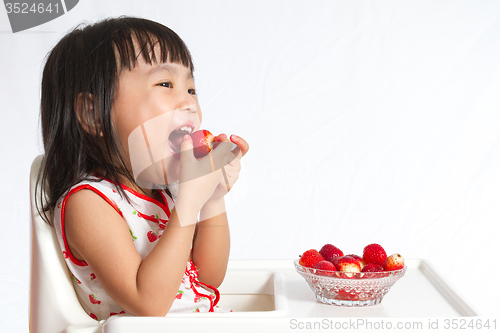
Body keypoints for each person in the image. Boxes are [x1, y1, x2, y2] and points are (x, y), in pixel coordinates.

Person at [36, 16, 249, 320]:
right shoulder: (89, 202)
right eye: (165, 84)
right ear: (93, 114)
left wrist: (212, 196)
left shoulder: (165, 195)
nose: (189, 103)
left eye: (191, 89)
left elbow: (208, 278)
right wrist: (188, 205)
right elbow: (148, 303)